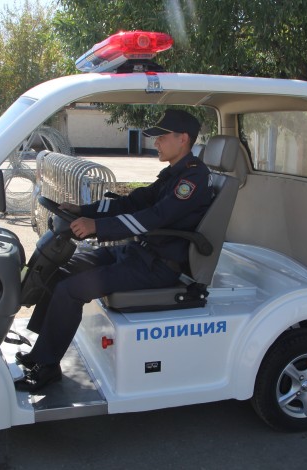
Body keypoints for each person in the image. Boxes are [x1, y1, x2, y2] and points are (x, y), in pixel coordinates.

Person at [15, 109, 213, 392]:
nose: (155, 142)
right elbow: (132, 203)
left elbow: (153, 218)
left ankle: (46, 367)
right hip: (138, 254)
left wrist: (97, 226)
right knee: (61, 271)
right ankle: (42, 353)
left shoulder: (192, 179)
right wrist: (84, 210)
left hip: (158, 267)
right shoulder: (174, 174)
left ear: (183, 139)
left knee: (71, 289)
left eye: (161, 137)